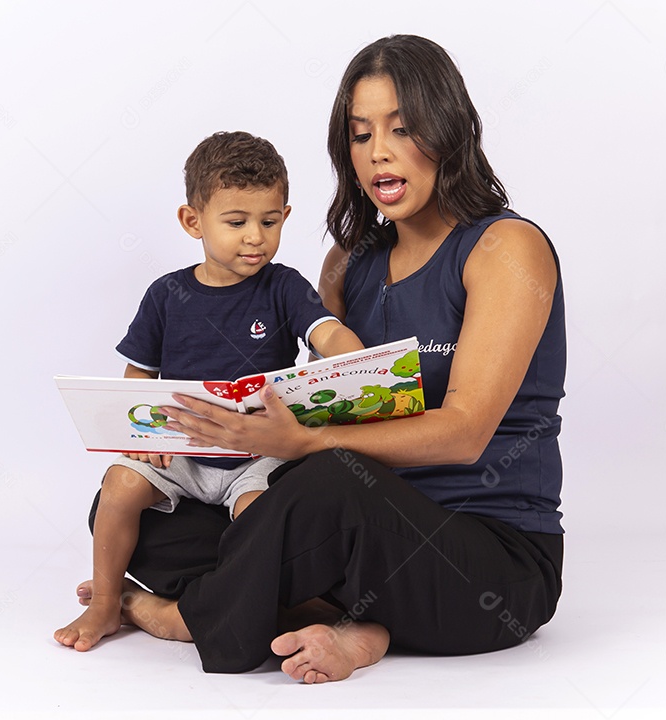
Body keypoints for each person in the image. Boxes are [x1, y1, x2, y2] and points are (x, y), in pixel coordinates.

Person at [81, 34, 566, 683]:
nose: (379, 153)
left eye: (402, 127)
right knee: (131, 504)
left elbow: (467, 431)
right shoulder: (347, 261)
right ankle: (356, 624)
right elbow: (308, 392)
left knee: (329, 477)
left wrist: (303, 440)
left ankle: (192, 616)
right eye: (360, 134)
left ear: (449, 130)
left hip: (488, 561)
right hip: (350, 535)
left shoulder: (506, 248)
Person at [54, 130, 364, 652]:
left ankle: (249, 606)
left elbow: (325, 333)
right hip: (182, 449)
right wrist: (141, 432)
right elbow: (139, 376)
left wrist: (355, 361)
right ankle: (107, 601)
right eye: (236, 222)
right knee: (119, 486)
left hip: (256, 455)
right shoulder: (167, 294)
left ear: (285, 216)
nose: (255, 238)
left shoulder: (284, 285)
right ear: (192, 221)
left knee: (260, 521)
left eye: (269, 222)